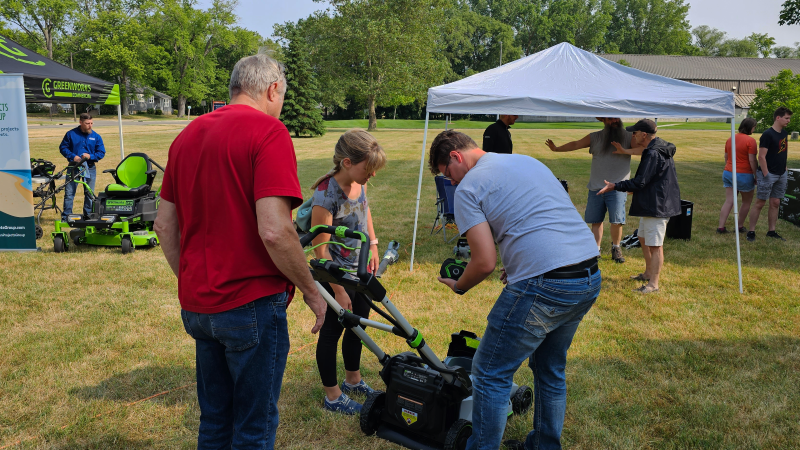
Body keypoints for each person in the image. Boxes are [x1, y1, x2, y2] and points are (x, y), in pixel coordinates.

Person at [153, 53, 327, 450]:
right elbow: (275, 230)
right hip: (251, 302)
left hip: (199, 304)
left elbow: (164, 225)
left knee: (214, 421)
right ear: (272, 89)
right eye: (282, 96)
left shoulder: (186, 135)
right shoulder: (268, 132)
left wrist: (191, 277)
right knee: (254, 426)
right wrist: (312, 291)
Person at [428, 130, 601, 450]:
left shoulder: (468, 187)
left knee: (490, 373)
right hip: (587, 276)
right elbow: (540, 220)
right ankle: (544, 446)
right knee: (550, 369)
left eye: (447, 173)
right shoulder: (525, 161)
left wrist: (459, 286)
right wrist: (523, 260)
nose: (450, 182)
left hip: (545, 286)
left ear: (455, 156)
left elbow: (483, 263)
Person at [310, 129, 386, 414]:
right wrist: (339, 292)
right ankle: (333, 397)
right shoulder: (325, 194)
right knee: (332, 332)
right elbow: (321, 251)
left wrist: (374, 245)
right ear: (346, 163)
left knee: (359, 327)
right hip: (336, 276)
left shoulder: (358, 182)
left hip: (361, 270)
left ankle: (353, 380)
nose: (372, 175)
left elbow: (365, 212)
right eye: (369, 169)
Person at [598, 119, 680, 294]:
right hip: (653, 200)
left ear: (644, 134)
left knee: (655, 245)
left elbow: (640, 181)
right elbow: (651, 178)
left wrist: (616, 186)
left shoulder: (652, 153)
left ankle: (653, 284)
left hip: (657, 205)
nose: (632, 136)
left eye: (634, 133)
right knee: (643, 238)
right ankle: (648, 273)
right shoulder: (657, 148)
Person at [545, 118, 639, 264]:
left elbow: (642, 149)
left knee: (616, 221)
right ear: (603, 120)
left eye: (616, 117)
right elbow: (576, 144)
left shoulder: (629, 136)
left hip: (617, 186)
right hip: (596, 186)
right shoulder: (595, 137)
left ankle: (616, 248)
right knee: (596, 221)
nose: (614, 120)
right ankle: (596, 250)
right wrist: (557, 149)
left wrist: (625, 151)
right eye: (610, 118)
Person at [747, 107, 793, 242]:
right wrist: (766, 174)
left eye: (789, 118)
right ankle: (751, 231)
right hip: (768, 174)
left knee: (776, 202)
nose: (788, 121)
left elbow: (782, 152)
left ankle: (771, 231)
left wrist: (784, 168)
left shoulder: (784, 133)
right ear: (778, 118)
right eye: (786, 118)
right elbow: (761, 157)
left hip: (781, 174)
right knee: (760, 202)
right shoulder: (767, 134)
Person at [59, 113, 105, 220]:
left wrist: (90, 156)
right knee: (69, 193)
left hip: (90, 168)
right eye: (87, 123)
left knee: (89, 193)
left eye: (91, 123)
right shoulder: (71, 134)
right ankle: (66, 216)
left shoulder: (96, 137)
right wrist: (73, 157)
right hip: (74, 167)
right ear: (80, 122)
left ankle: (88, 215)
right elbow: (63, 148)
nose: (90, 125)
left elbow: (101, 152)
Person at [717, 118, 758, 234]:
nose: (754, 130)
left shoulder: (730, 138)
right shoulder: (751, 141)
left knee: (729, 200)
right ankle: (739, 226)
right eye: (754, 127)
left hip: (728, 172)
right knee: (746, 201)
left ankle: (721, 227)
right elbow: (752, 160)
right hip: (744, 174)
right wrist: (756, 175)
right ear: (750, 127)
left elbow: (726, 156)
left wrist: (729, 168)